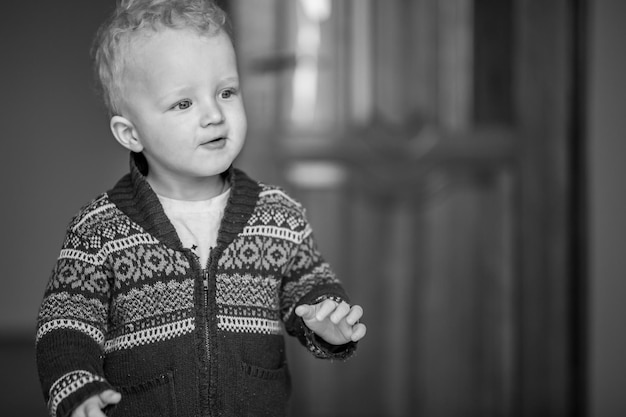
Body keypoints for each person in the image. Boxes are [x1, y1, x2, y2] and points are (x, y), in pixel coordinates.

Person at [35, 1, 366, 416]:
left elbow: (309, 284)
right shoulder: (99, 231)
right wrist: (77, 384)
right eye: (183, 104)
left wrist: (326, 314)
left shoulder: (279, 216)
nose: (214, 115)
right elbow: (65, 324)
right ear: (131, 133)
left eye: (226, 92)